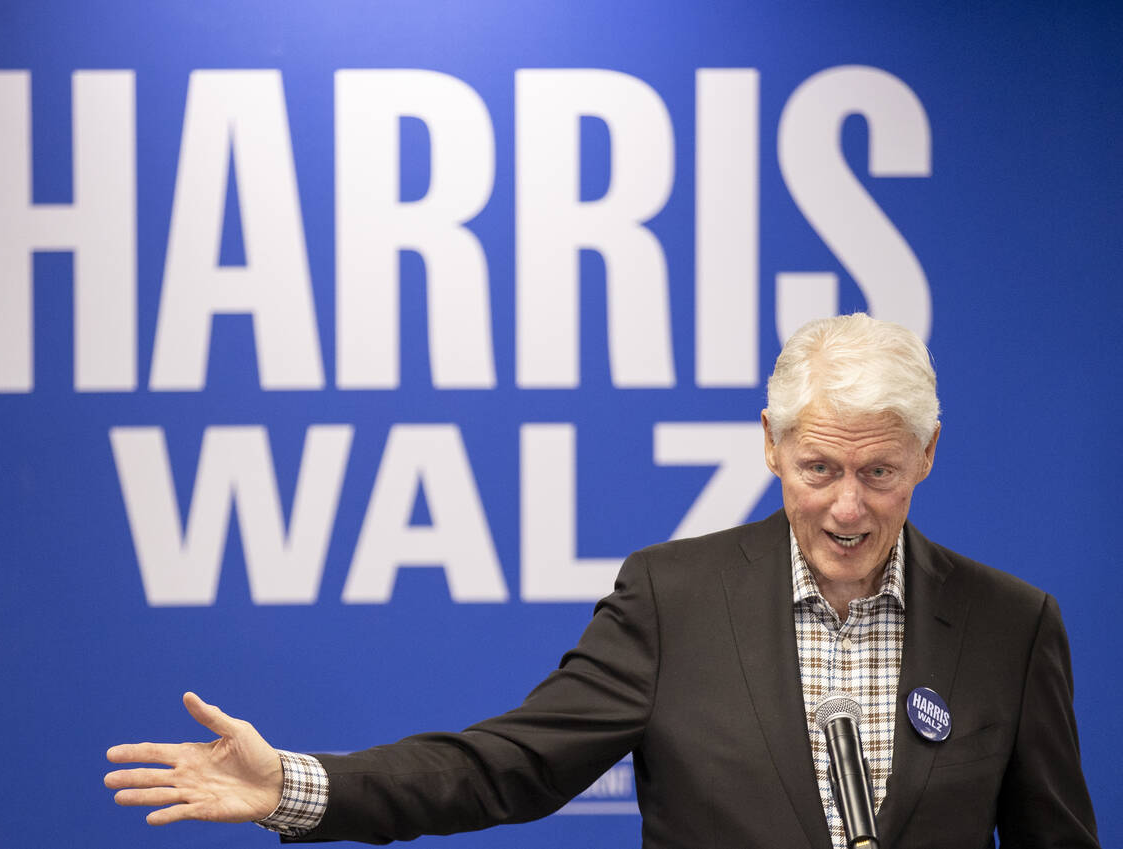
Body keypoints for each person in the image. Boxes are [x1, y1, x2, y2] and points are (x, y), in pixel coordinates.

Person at [105, 313, 1100, 848]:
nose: (848, 507)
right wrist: (297, 786)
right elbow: (508, 765)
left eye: (880, 474)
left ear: (927, 456)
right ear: (770, 447)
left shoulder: (1010, 625)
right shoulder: (676, 601)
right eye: (820, 470)